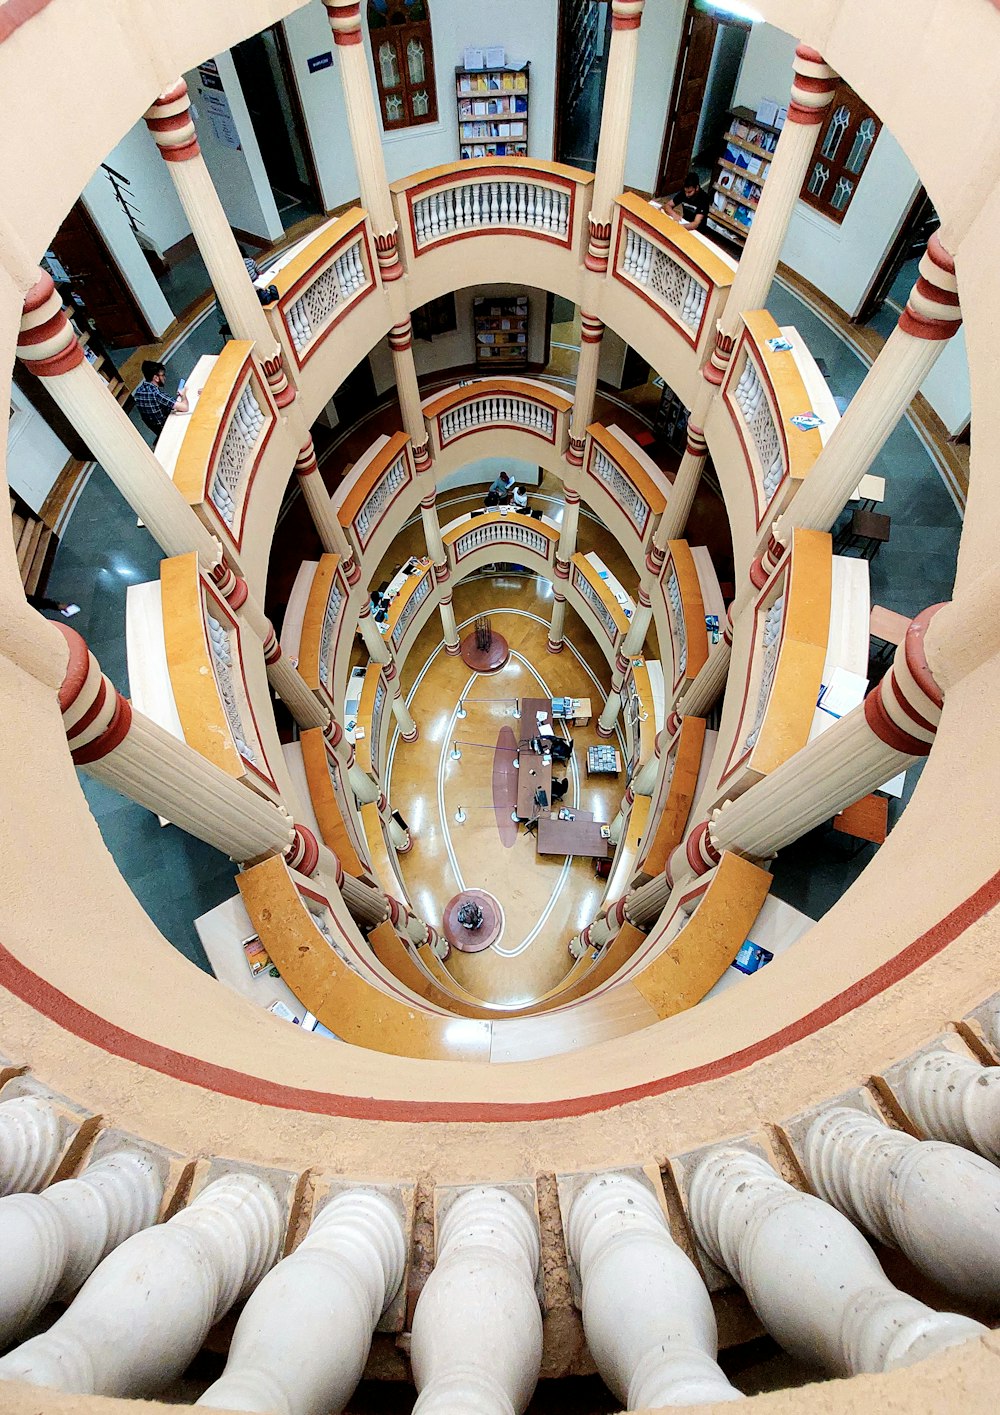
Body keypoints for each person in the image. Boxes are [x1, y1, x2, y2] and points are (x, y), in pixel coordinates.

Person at [134, 360, 189, 436]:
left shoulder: (138, 392)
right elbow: (185, 407)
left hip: (156, 429)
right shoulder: (157, 395)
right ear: (156, 378)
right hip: (167, 427)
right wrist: (183, 394)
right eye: (163, 375)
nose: (164, 378)